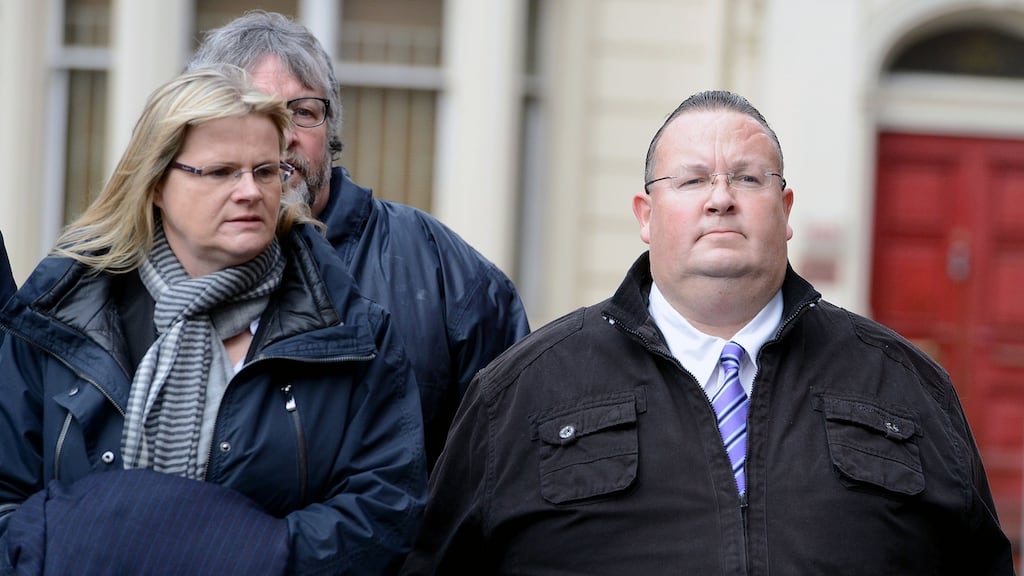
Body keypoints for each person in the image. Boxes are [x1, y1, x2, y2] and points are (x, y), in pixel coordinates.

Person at [399, 90, 1014, 575]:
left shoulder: (906, 386)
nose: (721, 199)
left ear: (786, 209)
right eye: (692, 180)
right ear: (646, 215)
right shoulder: (520, 392)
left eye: (748, 178)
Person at [0, 64, 426, 575]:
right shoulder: (59, 316)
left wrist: (253, 554)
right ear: (156, 183)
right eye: (221, 171)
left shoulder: (350, 331)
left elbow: (383, 511)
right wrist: (84, 543)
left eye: (266, 171)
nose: (250, 191)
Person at [185, 10, 531, 471]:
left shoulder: (446, 274)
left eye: (304, 112)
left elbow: (511, 466)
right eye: (255, 110)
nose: (284, 135)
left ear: (331, 134)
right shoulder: (124, 273)